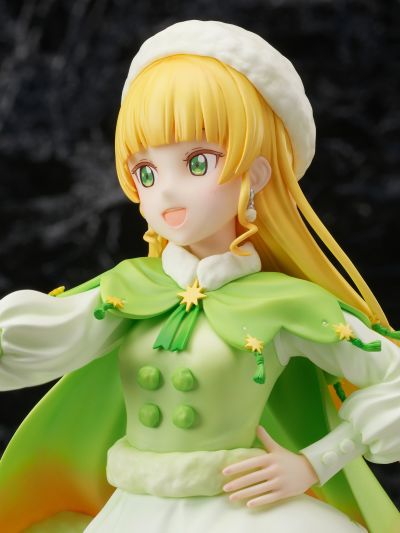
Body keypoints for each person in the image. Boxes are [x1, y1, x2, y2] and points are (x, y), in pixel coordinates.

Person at [0, 20, 399, 533]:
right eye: (146, 173)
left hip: (246, 512)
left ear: (256, 175)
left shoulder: (285, 304)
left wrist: (313, 464)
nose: (165, 191)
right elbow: (32, 344)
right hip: (135, 511)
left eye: (196, 163)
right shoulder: (127, 291)